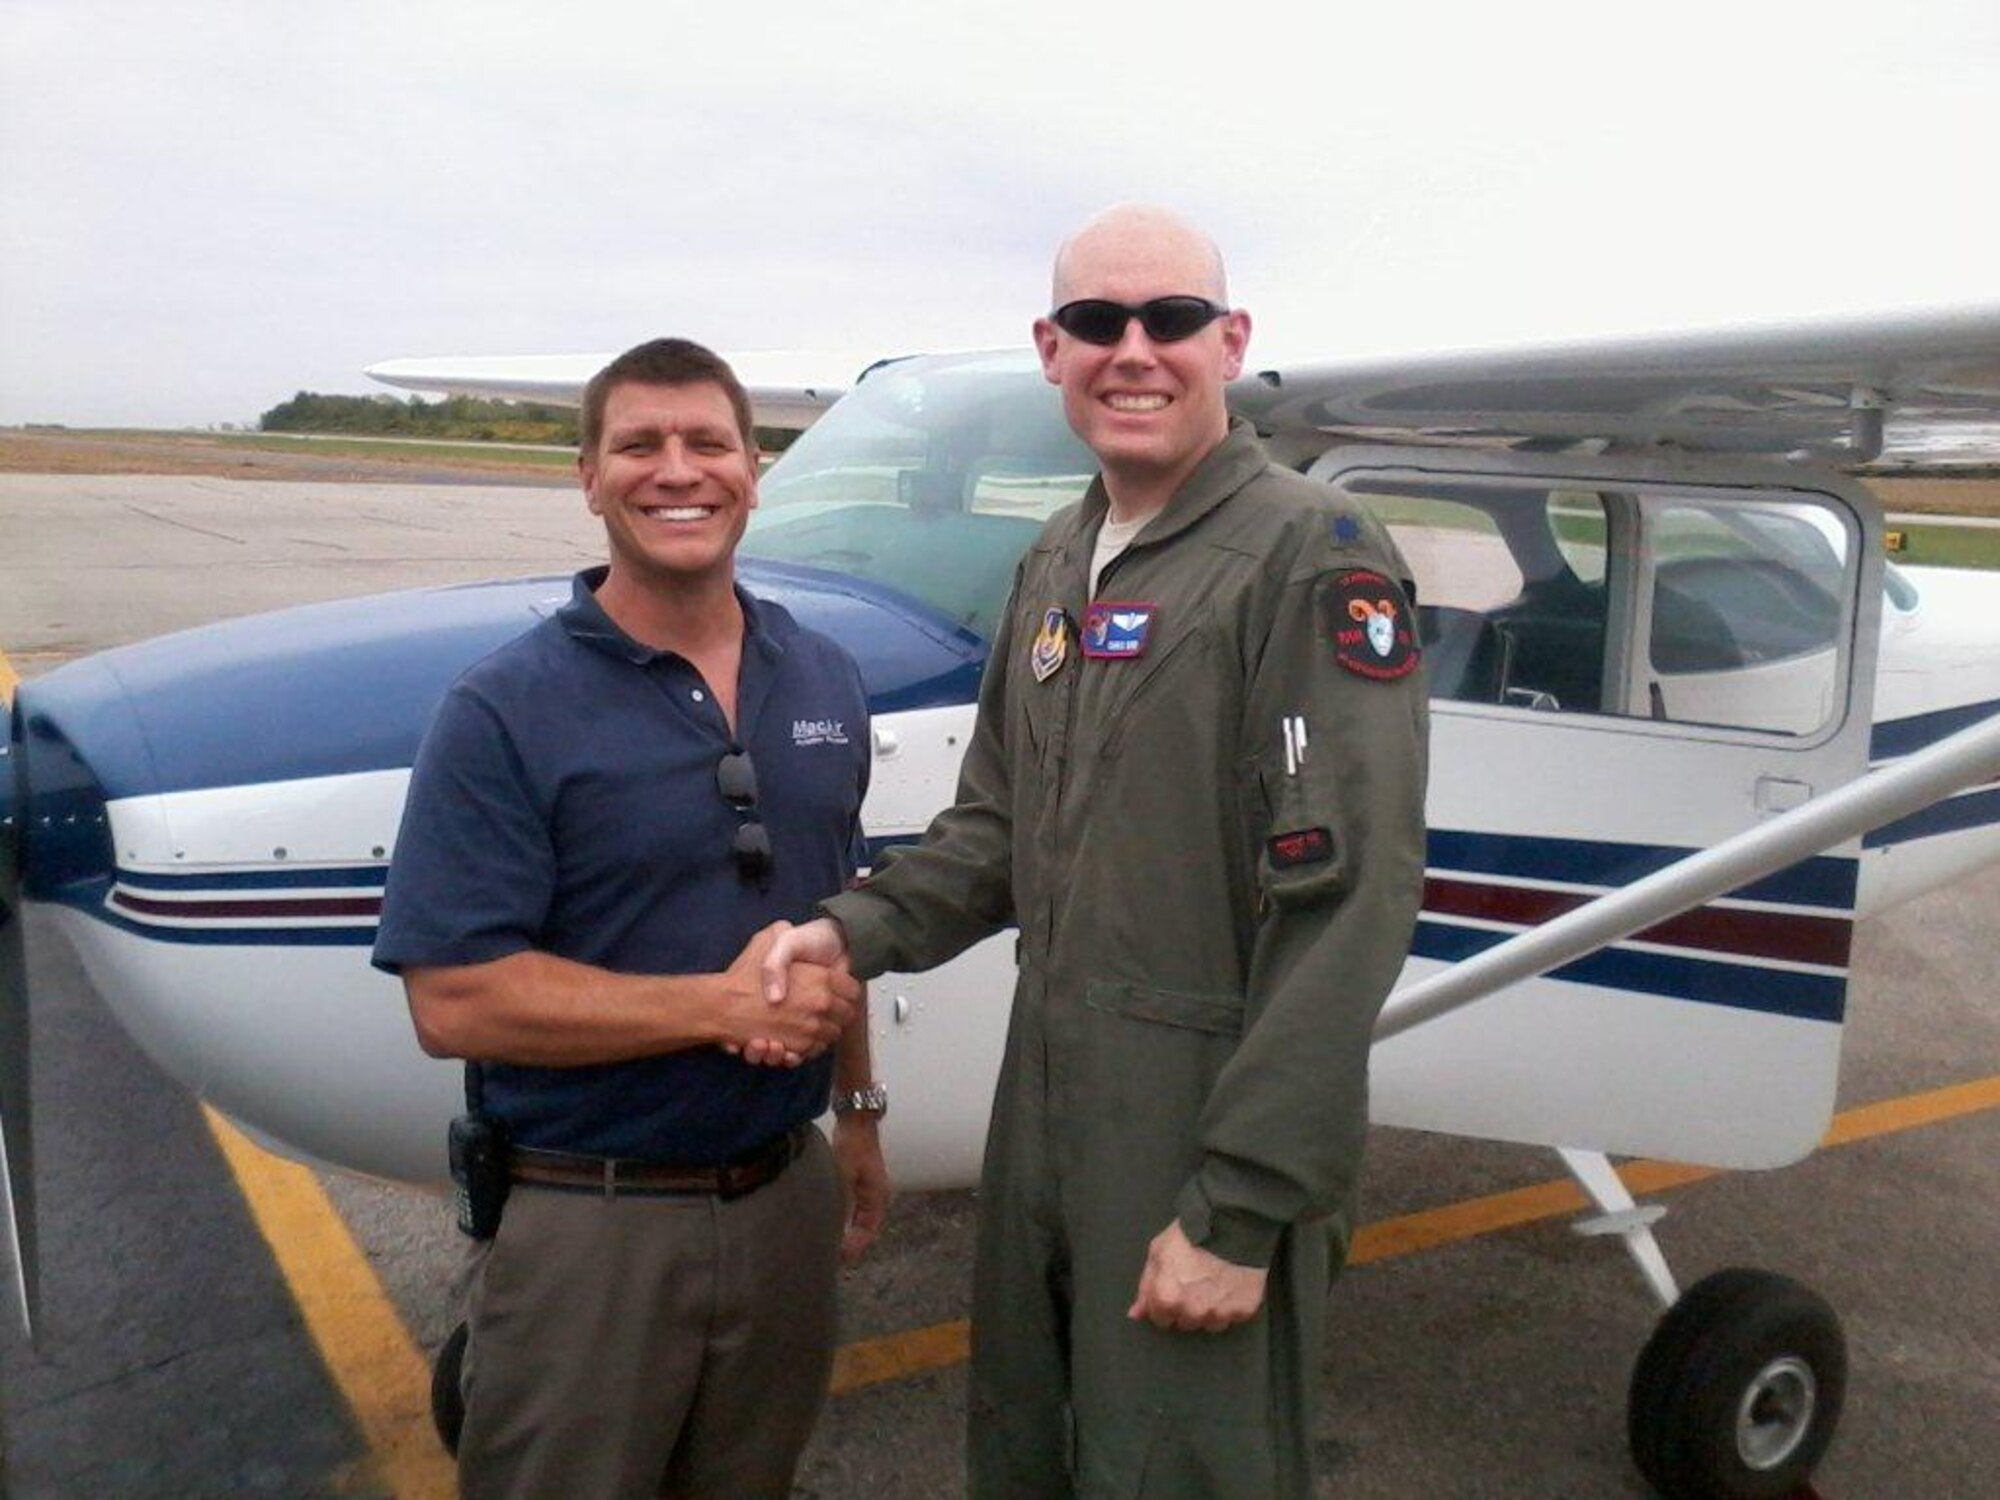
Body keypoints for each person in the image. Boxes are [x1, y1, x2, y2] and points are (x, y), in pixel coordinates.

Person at [761, 206, 1429, 1498]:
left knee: (1179, 1466)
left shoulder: (1310, 555)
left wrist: (1239, 1210)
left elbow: (1349, 905)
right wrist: (853, 930)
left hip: (1196, 1115)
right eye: (1097, 323)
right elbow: (998, 825)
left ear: (1228, 342)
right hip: (1048, 1096)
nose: (1136, 351)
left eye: (1171, 320)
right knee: (1028, 1442)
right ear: (1050, 349)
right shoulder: (1060, 560)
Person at [372, 337, 890, 1500]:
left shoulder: (823, 677)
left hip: (780, 1194)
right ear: (589, 477)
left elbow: (836, 916)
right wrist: (716, 1007)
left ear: (755, 470)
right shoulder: (501, 708)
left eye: (708, 443)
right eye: (639, 445)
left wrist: (854, 1111)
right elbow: (453, 1000)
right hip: (585, 1220)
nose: (677, 471)